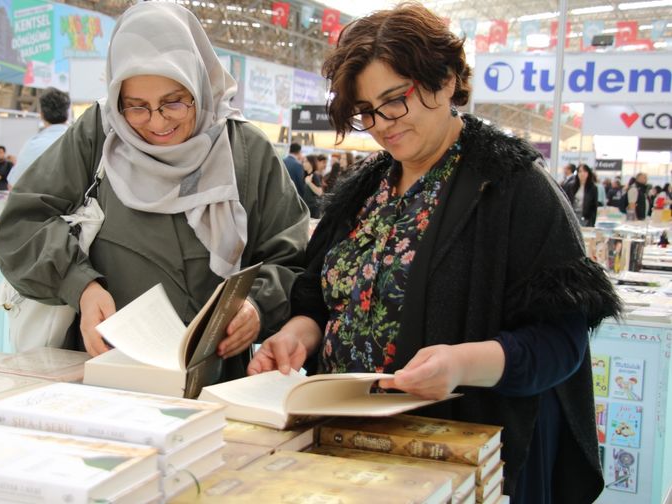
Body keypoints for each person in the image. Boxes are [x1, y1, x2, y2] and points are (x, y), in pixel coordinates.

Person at [247, 4, 620, 503]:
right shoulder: (363, 189)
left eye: (394, 100)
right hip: (344, 450)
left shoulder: (511, 185)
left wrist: (463, 365)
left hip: (456, 461)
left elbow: (560, 343)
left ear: (445, 81)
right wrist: (296, 336)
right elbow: (319, 298)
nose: (381, 125)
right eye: (366, 112)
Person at [0, 2, 308, 381]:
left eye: (175, 101)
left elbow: (290, 258)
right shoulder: (99, 135)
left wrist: (256, 306)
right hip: (106, 378)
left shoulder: (244, 151)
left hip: (213, 384)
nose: (158, 122)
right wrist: (81, 286)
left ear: (199, 85)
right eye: (137, 107)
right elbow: (23, 224)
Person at [9, 87, 70, 188]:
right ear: (67, 114)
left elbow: (13, 185)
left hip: (39, 202)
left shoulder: (32, 146)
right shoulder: (82, 143)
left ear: (41, 115)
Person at [302, 154, 323, 218]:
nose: (304, 164)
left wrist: (309, 183)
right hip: (307, 207)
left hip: (314, 208)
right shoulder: (307, 175)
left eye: (306, 161)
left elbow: (320, 192)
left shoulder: (315, 175)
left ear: (311, 163)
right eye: (303, 162)